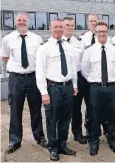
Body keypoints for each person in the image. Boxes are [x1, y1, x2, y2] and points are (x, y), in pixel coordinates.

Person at [0, 12, 48, 154]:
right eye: (19, 20)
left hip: (33, 78)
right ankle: (15, 141)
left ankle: (39, 137)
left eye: (24, 20)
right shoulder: (7, 39)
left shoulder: (37, 38)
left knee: (36, 110)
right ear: (16, 23)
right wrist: (17, 69)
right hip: (16, 79)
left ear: (29, 22)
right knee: (15, 111)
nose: (21, 22)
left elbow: (40, 59)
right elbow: (5, 57)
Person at [36, 18, 78, 161]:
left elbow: (72, 67)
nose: (59, 29)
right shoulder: (44, 48)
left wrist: (75, 85)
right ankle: (53, 148)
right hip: (53, 88)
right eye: (56, 27)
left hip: (68, 87)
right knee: (52, 120)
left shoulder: (68, 46)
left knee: (66, 119)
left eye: (61, 27)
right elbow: (40, 71)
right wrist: (44, 92)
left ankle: (62, 145)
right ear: (50, 28)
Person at [81, 21, 115, 156]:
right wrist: (94, 81)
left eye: (104, 31)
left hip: (111, 87)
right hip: (95, 87)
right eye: (99, 31)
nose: (102, 33)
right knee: (94, 115)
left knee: (112, 114)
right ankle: (93, 141)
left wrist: (112, 80)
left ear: (107, 32)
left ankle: (113, 140)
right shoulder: (89, 50)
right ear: (95, 32)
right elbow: (85, 70)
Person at [80, 14, 109, 135]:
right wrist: (89, 78)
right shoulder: (82, 39)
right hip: (89, 80)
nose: (93, 23)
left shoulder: (108, 39)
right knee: (90, 106)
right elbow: (83, 63)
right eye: (91, 21)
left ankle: (106, 129)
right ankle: (89, 129)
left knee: (105, 106)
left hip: (104, 80)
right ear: (88, 23)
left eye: (95, 21)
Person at [62, 16, 87, 144]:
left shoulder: (79, 42)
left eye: (72, 25)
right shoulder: (57, 41)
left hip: (77, 77)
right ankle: (62, 136)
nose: (70, 27)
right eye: (67, 25)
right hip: (63, 80)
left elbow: (82, 61)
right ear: (62, 26)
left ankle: (77, 133)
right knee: (63, 110)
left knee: (76, 109)